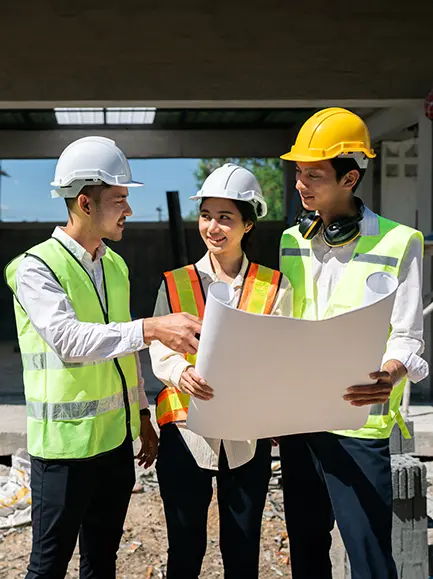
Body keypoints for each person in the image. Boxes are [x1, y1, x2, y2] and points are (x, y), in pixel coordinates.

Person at [4, 136, 201, 579]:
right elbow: (70, 339)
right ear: (85, 204)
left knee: (102, 561)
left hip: (114, 444)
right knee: (48, 564)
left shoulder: (114, 265)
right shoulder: (36, 268)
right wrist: (152, 327)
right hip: (63, 450)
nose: (128, 210)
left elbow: (121, 346)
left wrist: (143, 415)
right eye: (119, 199)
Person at [278, 108, 429, 579]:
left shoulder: (399, 242)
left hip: (360, 425)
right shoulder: (290, 242)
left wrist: (392, 373)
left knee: (368, 558)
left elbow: (408, 336)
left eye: (315, 174)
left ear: (350, 177)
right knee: (306, 552)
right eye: (299, 172)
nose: (302, 183)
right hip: (300, 420)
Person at [149, 163, 292, 579]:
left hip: (247, 434)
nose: (213, 226)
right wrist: (180, 374)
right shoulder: (174, 283)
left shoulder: (275, 286)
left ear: (248, 224)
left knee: (243, 546)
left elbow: (281, 355)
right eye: (206, 215)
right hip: (186, 429)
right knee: (185, 544)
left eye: (225, 217)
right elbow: (160, 346)